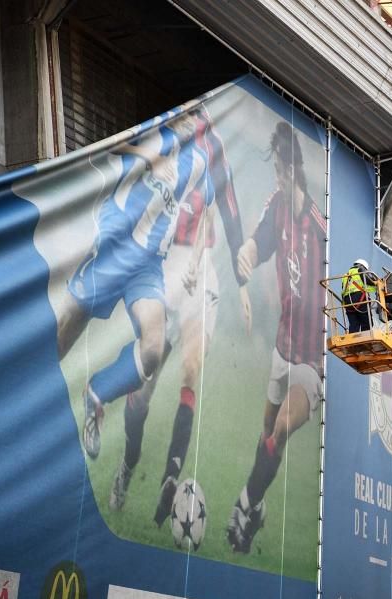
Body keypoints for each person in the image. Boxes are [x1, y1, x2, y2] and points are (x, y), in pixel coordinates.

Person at [54, 106, 240, 461]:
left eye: (196, 117)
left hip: (148, 265)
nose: (190, 121)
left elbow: (210, 212)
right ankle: (26, 401)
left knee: (153, 348)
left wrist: (198, 258)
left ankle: (96, 394)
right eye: (186, 115)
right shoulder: (153, 132)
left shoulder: (200, 159)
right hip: (114, 244)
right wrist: (148, 158)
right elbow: (105, 148)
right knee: (65, 332)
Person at [105, 107, 252, 519]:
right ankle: (128, 466)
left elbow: (225, 209)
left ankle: (171, 478)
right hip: (162, 266)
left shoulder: (215, 143)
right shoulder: (164, 128)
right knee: (146, 385)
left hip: (200, 270)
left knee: (191, 368)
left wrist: (239, 284)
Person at [225, 120, 326, 553]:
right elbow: (256, 243)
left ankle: (243, 505)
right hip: (281, 349)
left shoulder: (321, 230)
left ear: (296, 171)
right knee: (266, 435)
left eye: (284, 172)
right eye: (276, 172)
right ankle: (259, 509)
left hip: (312, 361)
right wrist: (245, 257)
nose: (279, 179)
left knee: (282, 426)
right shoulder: (276, 207)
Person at [341, 258, 377, 333]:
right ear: (362, 266)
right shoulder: (360, 270)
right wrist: (377, 282)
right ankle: (365, 339)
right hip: (359, 298)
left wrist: (374, 288)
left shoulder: (345, 275)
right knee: (367, 322)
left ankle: (352, 341)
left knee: (354, 325)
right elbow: (369, 281)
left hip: (347, 301)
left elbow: (345, 288)